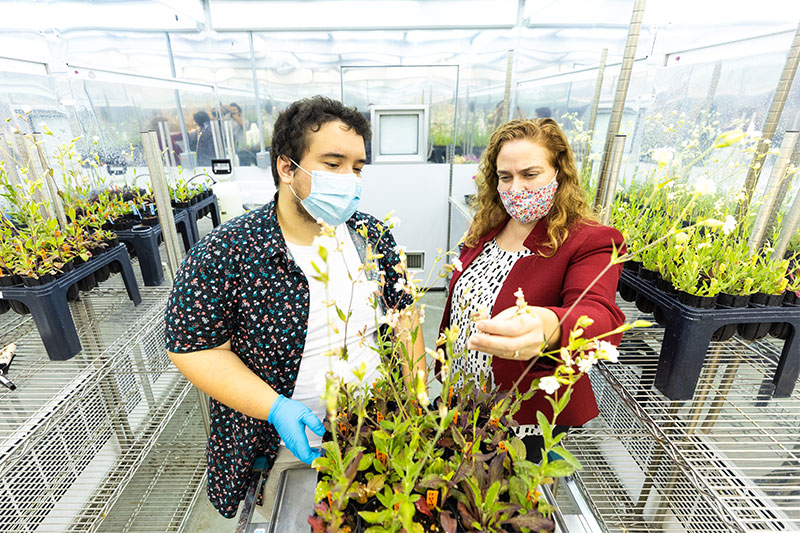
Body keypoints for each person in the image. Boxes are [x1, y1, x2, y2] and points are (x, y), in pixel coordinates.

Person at [165, 96, 425, 518]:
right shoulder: (227, 251)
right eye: (333, 163)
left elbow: (403, 314)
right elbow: (193, 348)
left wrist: (413, 393)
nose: (349, 179)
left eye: (357, 168)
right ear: (287, 168)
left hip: (376, 432)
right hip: (283, 449)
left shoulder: (370, 235)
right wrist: (275, 407)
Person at [438, 118, 625, 462]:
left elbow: (601, 315)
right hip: (463, 396)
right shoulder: (488, 228)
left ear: (559, 172)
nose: (516, 188)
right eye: (505, 177)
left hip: (521, 415)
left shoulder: (587, 239)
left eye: (530, 174)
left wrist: (545, 324)